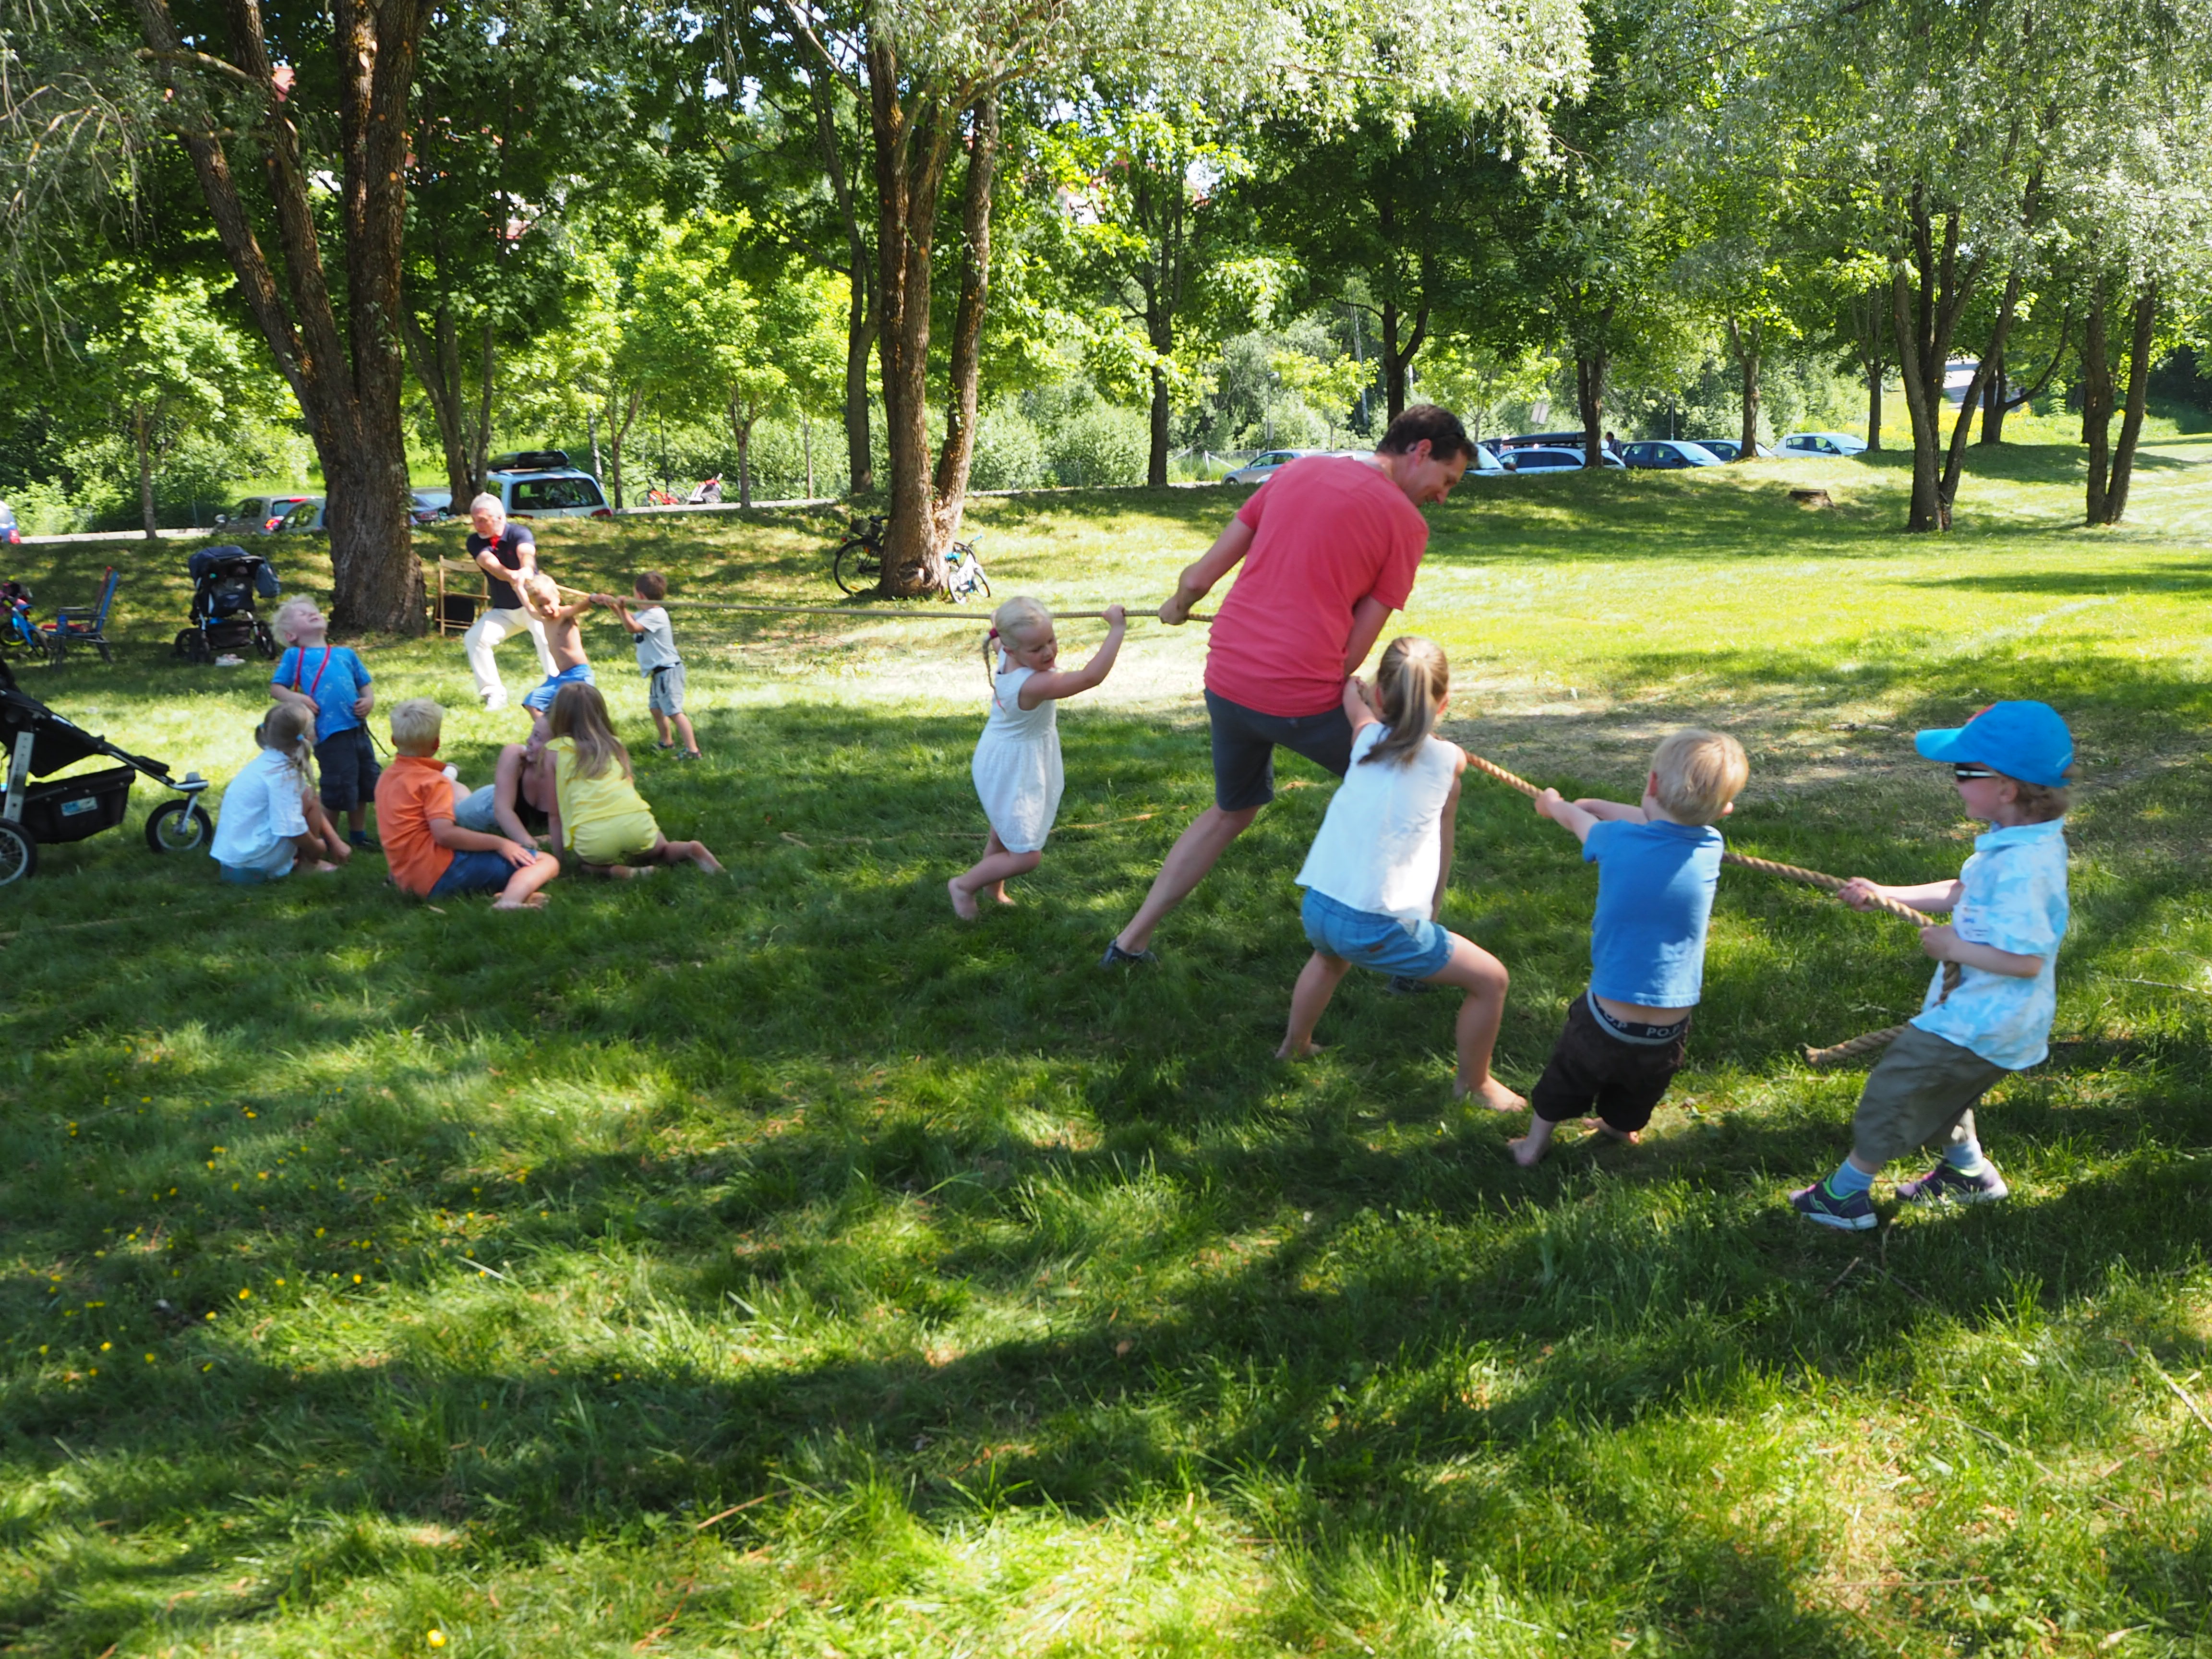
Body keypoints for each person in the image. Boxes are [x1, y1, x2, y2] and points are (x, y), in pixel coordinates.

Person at [1104, 404, 1475, 968]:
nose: (1444, 497)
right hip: (1300, 696)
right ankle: (1417, 948)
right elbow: (1353, 651)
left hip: (1227, 681)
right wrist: (1357, 697)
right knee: (1435, 787)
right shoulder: (1407, 525)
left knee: (1233, 809)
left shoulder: (1294, 472)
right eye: (1447, 480)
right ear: (1421, 451)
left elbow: (1198, 579)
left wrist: (1177, 607)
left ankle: (1129, 942)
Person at [1791, 702, 2073, 1228]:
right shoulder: (2016, 843)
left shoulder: (2023, 867)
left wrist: (1954, 950)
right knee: (1947, 1090)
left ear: (2007, 788)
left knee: (1896, 1089)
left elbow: (2028, 960)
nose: (1955, 781)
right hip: (1983, 1014)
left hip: (1985, 1019)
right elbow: (1964, 892)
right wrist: (1884, 894)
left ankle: (1844, 1195)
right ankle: (1969, 1175)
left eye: (1964, 771)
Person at [1274, 638, 1521, 1109]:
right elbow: (1444, 754)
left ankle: (1294, 1046)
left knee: (1327, 960)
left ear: (1381, 698)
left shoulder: (1365, 738)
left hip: (1320, 906)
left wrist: (1354, 687)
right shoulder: (1449, 760)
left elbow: (1354, 705)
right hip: (1375, 925)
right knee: (1491, 981)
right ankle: (1476, 1084)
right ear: (1445, 704)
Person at [1509, 729, 1750, 1167]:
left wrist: (1554, 805)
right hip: (1669, 1027)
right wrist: (1600, 806)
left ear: (1652, 785)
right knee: (1644, 1083)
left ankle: (1532, 1147)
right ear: (1725, 810)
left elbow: (1574, 821)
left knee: (1568, 1074)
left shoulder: (1612, 840)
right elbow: (1662, 824)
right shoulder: (1711, 844)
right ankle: (1621, 1126)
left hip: (1607, 1016)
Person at [949, 597, 1127, 920]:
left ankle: (994, 890)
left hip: (1011, 755)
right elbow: (1090, 678)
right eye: (1036, 649)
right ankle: (963, 886)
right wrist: (1116, 629)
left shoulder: (1009, 650)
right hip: (1012, 765)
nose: (1048, 652)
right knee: (1027, 855)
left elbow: (1006, 621)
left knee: (1003, 834)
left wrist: (1007, 620)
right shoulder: (1034, 682)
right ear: (1012, 650)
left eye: (1051, 640)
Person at [374, 697, 560, 910]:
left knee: (493, 862)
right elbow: (445, 834)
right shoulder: (434, 782)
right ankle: (510, 902)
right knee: (545, 862)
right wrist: (501, 843)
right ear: (436, 744)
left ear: (393, 740)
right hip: (438, 874)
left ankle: (506, 893)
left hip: (405, 876)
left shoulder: (386, 778)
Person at [539, 681, 721, 877]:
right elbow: (630, 787)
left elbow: (555, 815)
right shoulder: (615, 744)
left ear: (559, 715)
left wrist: (560, 860)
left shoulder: (554, 752)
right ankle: (690, 849)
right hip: (636, 822)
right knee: (661, 850)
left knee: (586, 865)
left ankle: (626, 872)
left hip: (593, 836)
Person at [268, 597, 380, 851]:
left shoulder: (345, 654)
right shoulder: (295, 655)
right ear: (291, 635)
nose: (311, 614)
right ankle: (327, 839)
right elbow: (277, 688)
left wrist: (369, 701)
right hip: (328, 733)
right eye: (302, 614)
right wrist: (299, 699)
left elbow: (364, 684)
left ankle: (358, 834)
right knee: (336, 786)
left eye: (314, 611)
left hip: (357, 728)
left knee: (363, 782)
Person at [207, 703, 351, 883]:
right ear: (306, 737)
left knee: (307, 795)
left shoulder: (269, 761)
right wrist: (317, 848)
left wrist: (335, 841)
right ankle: (309, 864)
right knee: (309, 798)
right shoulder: (283, 775)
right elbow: (291, 828)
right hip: (254, 860)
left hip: (234, 856)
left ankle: (299, 859)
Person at [460, 493, 556, 710]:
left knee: (545, 636)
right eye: (475, 520)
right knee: (475, 638)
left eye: (483, 520)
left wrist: (526, 570)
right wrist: (512, 575)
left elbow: (527, 553)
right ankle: (494, 693)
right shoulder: (475, 541)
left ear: (500, 518)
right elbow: (489, 563)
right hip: (505, 611)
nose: (478, 526)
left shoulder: (519, 532)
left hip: (533, 606)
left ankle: (557, 689)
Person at [593, 572, 699, 758]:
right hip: (659, 672)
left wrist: (623, 608)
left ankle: (693, 750)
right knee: (656, 709)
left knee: (674, 712)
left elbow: (631, 627)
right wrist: (612, 605)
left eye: (634, 594)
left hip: (669, 670)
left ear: (640, 596)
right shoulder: (645, 613)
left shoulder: (657, 615)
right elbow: (629, 619)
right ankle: (667, 742)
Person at [515, 572, 596, 715]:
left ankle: (595, 734)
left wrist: (591, 599)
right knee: (532, 702)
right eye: (540, 606)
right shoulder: (542, 619)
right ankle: (547, 732)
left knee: (585, 712)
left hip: (579, 674)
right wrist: (519, 587)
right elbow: (527, 605)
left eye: (548, 603)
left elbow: (578, 608)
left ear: (558, 598)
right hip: (560, 677)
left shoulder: (564, 614)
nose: (546, 609)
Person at [452, 741, 554, 848]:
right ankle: (446, 775)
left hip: (503, 793)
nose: (529, 740)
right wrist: (531, 844)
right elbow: (502, 811)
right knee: (456, 803)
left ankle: (449, 773)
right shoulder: (516, 755)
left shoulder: (567, 769)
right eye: (534, 734)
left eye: (538, 737)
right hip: (483, 807)